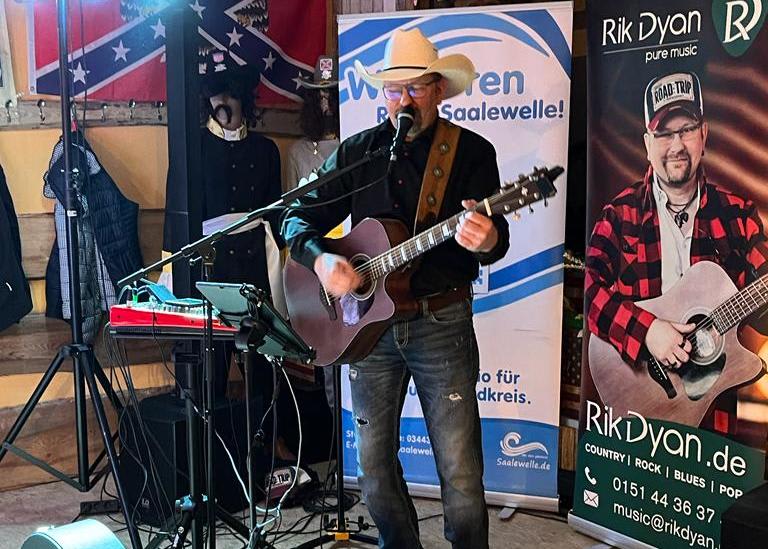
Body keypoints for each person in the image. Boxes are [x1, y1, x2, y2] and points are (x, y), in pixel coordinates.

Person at [281, 28, 509, 549]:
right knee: (373, 467)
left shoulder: (472, 153)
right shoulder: (360, 153)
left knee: (460, 472)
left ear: (439, 89)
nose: (403, 100)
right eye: (393, 89)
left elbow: (496, 242)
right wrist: (321, 261)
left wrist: (488, 237)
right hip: (366, 332)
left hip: (440, 323)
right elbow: (296, 217)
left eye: (416, 88)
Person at [585, 71, 768, 433]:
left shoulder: (738, 215)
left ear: (704, 134)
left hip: (712, 415)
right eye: (664, 133)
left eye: (686, 130)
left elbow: (763, 315)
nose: (676, 145)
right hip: (637, 417)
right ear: (647, 143)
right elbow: (592, 295)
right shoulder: (619, 216)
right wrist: (648, 331)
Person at [285, 55, 340, 192]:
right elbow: (291, 201)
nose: (326, 104)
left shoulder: (351, 146)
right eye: (320, 97)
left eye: (331, 96)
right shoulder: (297, 152)